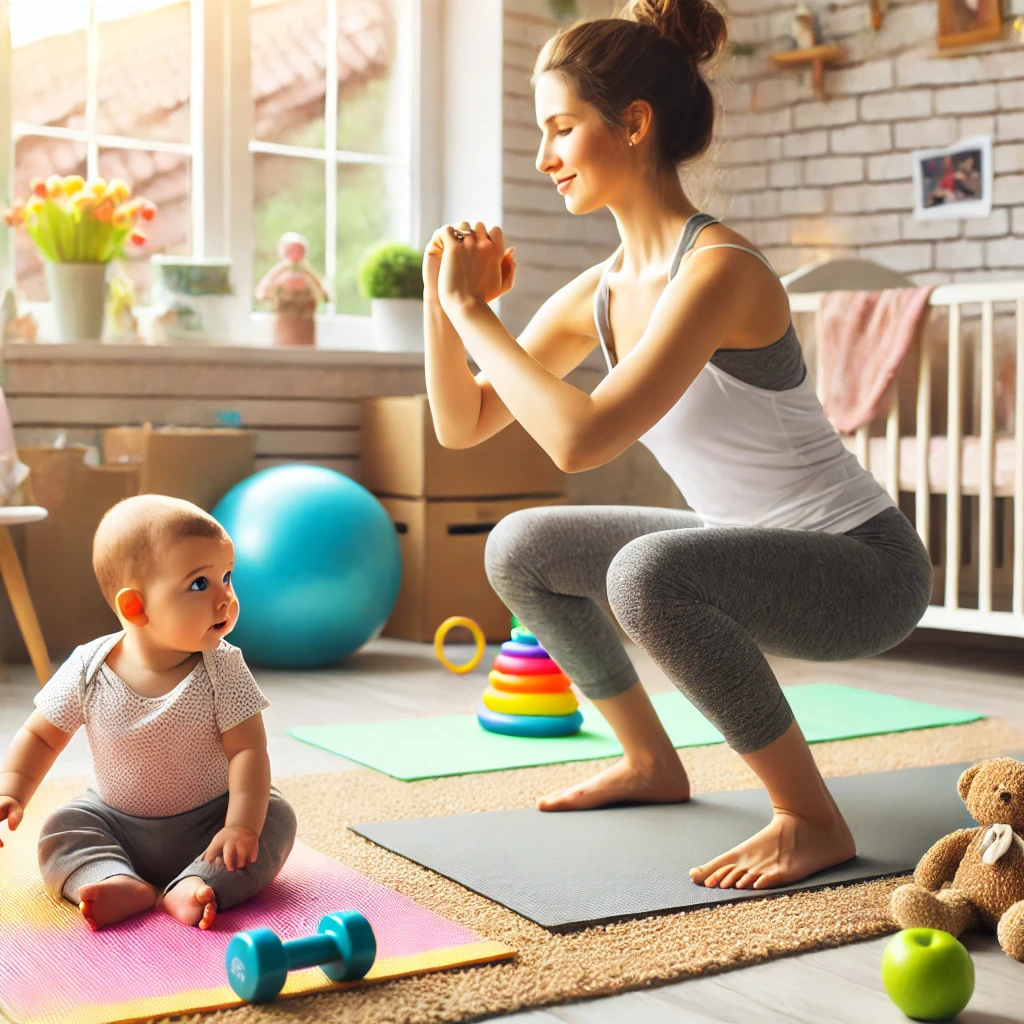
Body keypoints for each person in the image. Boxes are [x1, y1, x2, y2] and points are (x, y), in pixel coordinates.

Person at [422, 0, 932, 892]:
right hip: (738, 552)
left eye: (560, 129)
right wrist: (444, 300)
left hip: (864, 570)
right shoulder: (602, 291)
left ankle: (810, 817)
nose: (544, 159)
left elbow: (580, 438)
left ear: (634, 124)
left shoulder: (719, 272)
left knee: (646, 573)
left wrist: (476, 314)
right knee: (523, 547)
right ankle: (652, 764)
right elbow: (462, 423)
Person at [0, 495, 296, 931]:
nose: (225, 599)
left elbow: (249, 751)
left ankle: (198, 884)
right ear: (135, 607)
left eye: (227, 578)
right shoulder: (88, 666)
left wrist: (239, 827)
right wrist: (12, 789)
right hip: (114, 822)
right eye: (201, 584)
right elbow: (42, 736)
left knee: (274, 819)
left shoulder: (223, 666)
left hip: (211, 825)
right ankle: (113, 879)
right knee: (61, 828)